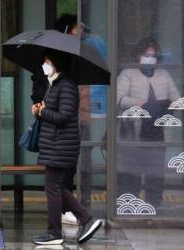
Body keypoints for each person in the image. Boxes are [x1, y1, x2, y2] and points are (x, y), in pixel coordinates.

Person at [32, 49, 102, 245]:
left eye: (47, 61)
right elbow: (54, 113)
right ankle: (86, 221)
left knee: (53, 187)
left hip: (61, 145)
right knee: (56, 187)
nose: (44, 65)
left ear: (56, 63)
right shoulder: (54, 85)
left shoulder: (67, 86)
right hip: (54, 144)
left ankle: (56, 232)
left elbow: (64, 117)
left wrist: (44, 112)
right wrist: (39, 111)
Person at [117, 37, 180, 206]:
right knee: (132, 172)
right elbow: (118, 98)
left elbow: (176, 99)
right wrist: (135, 102)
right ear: (138, 55)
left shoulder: (164, 74)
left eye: (152, 55)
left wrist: (171, 104)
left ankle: (155, 203)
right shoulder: (128, 74)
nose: (149, 58)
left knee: (156, 172)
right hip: (134, 133)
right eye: (146, 54)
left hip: (157, 132)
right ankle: (130, 203)